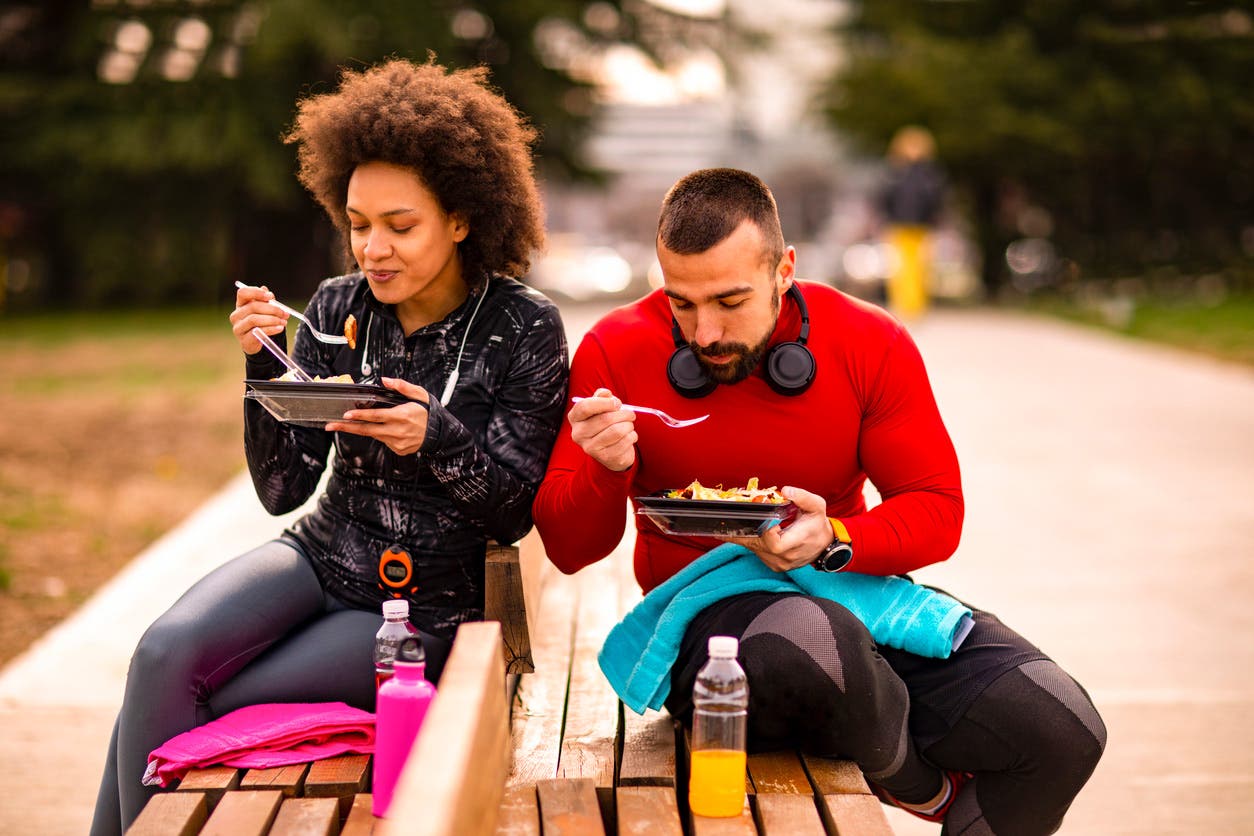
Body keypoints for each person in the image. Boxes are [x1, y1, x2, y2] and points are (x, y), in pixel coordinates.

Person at [533, 168, 1105, 833]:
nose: (704, 333)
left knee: (1062, 728)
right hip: (717, 639)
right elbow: (571, 550)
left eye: (729, 300)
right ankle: (923, 790)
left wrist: (835, 537)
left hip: (850, 594)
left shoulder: (867, 342)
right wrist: (606, 470)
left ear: (785, 270)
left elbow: (937, 509)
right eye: (682, 303)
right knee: (809, 638)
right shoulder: (616, 349)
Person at [91, 59, 569, 834]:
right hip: (318, 555)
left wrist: (435, 436)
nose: (372, 249)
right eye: (357, 224)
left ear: (461, 219)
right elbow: (283, 489)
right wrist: (263, 366)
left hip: (426, 606)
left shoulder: (524, 327)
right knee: (161, 657)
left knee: (198, 694)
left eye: (400, 225)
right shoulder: (339, 305)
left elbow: (517, 510)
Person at [880, 125, 947, 319]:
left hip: (923, 226)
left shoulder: (930, 173)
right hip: (899, 224)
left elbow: (936, 200)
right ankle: (903, 305)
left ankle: (917, 307)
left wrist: (934, 221)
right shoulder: (895, 171)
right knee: (900, 267)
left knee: (920, 267)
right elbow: (885, 198)